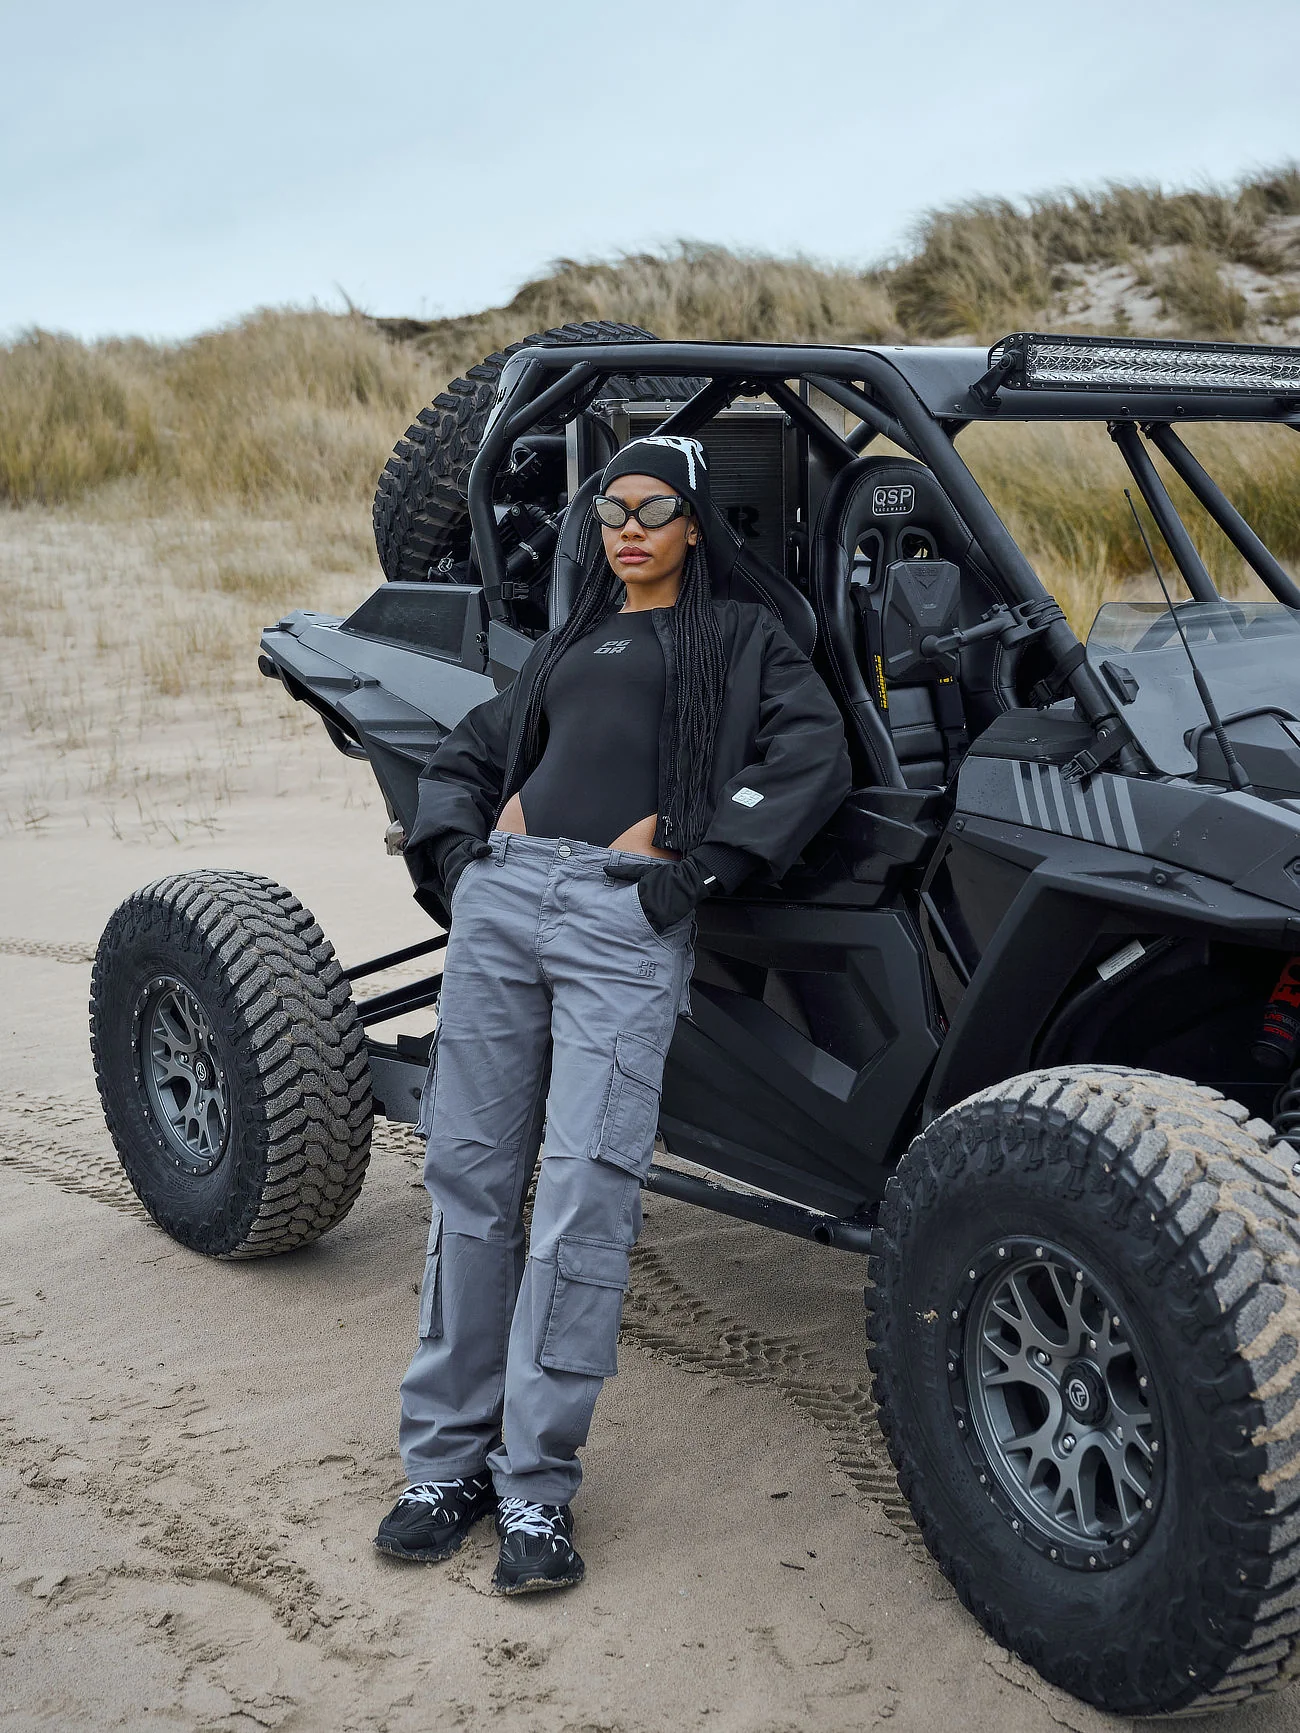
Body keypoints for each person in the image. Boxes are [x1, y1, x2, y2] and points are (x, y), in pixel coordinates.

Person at [375, 434, 852, 1594]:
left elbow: (812, 752)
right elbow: (469, 752)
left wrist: (699, 858)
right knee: (470, 1177)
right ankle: (443, 1464)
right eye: (611, 510)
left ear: (693, 521)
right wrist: (459, 855)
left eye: (653, 508)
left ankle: (534, 1484)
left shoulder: (742, 636)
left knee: (583, 1190)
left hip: (621, 914)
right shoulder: (569, 640)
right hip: (505, 901)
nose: (628, 528)